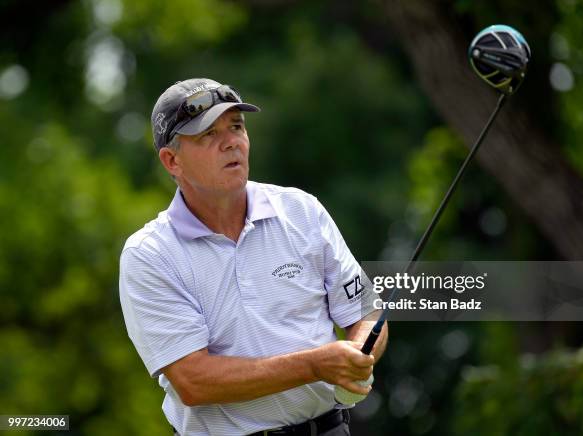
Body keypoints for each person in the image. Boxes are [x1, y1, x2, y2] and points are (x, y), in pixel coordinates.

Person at [119, 78, 388, 436]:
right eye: (208, 135)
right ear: (172, 161)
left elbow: (366, 312)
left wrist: (357, 352)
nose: (231, 142)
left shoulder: (301, 210)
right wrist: (317, 366)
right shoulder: (149, 255)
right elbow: (194, 381)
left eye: (236, 127)